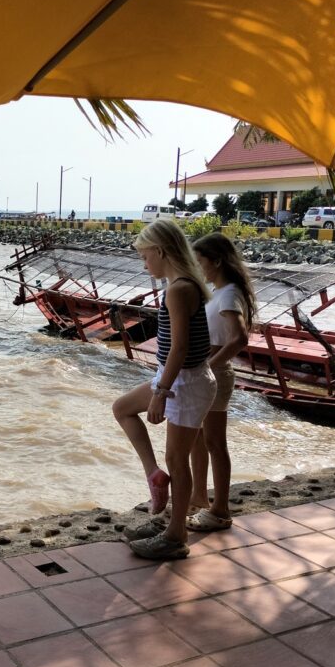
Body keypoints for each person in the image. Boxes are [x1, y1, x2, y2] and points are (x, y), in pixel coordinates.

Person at [112, 219, 216, 560]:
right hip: (180, 378)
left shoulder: (179, 289)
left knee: (177, 459)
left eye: (145, 257)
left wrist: (160, 393)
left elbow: (180, 348)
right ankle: (154, 476)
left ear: (160, 251)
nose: (144, 264)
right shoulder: (182, 285)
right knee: (123, 408)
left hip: (184, 382)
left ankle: (175, 535)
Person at [186, 233, 257, 531]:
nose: (197, 267)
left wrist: (209, 365)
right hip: (208, 373)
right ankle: (199, 498)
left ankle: (220, 510)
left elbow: (239, 338)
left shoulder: (228, 294)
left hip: (214, 374)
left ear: (216, 261)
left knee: (214, 442)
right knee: (198, 439)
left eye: (200, 261)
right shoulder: (220, 292)